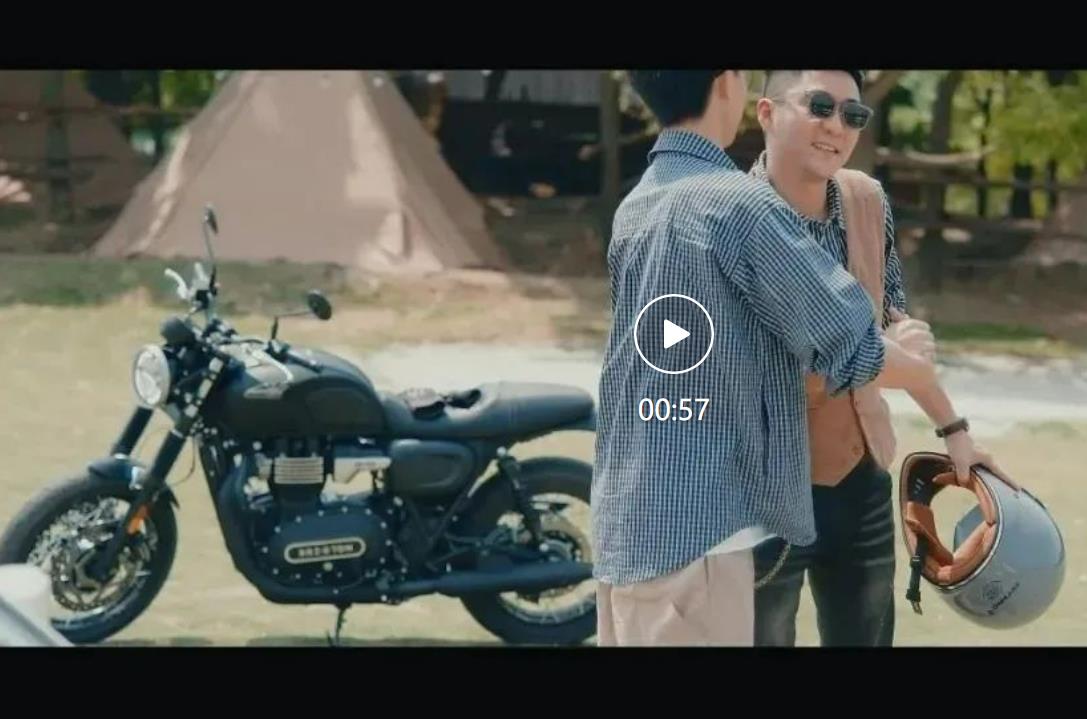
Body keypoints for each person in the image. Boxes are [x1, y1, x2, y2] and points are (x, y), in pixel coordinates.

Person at [592, 70, 939, 647]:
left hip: (628, 529)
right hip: (704, 540)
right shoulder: (738, 204)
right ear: (729, 85)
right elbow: (849, 343)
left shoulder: (638, 204)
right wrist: (919, 365)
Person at [749, 69, 1008, 647]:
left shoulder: (866, 200)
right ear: (766, 113)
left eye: (853, 114)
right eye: (819, 106)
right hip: (762, 487)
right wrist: (889, 353)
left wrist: (955, 430)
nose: (836, 126)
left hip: (860, 472)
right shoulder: (732, 216)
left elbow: (895, 327)